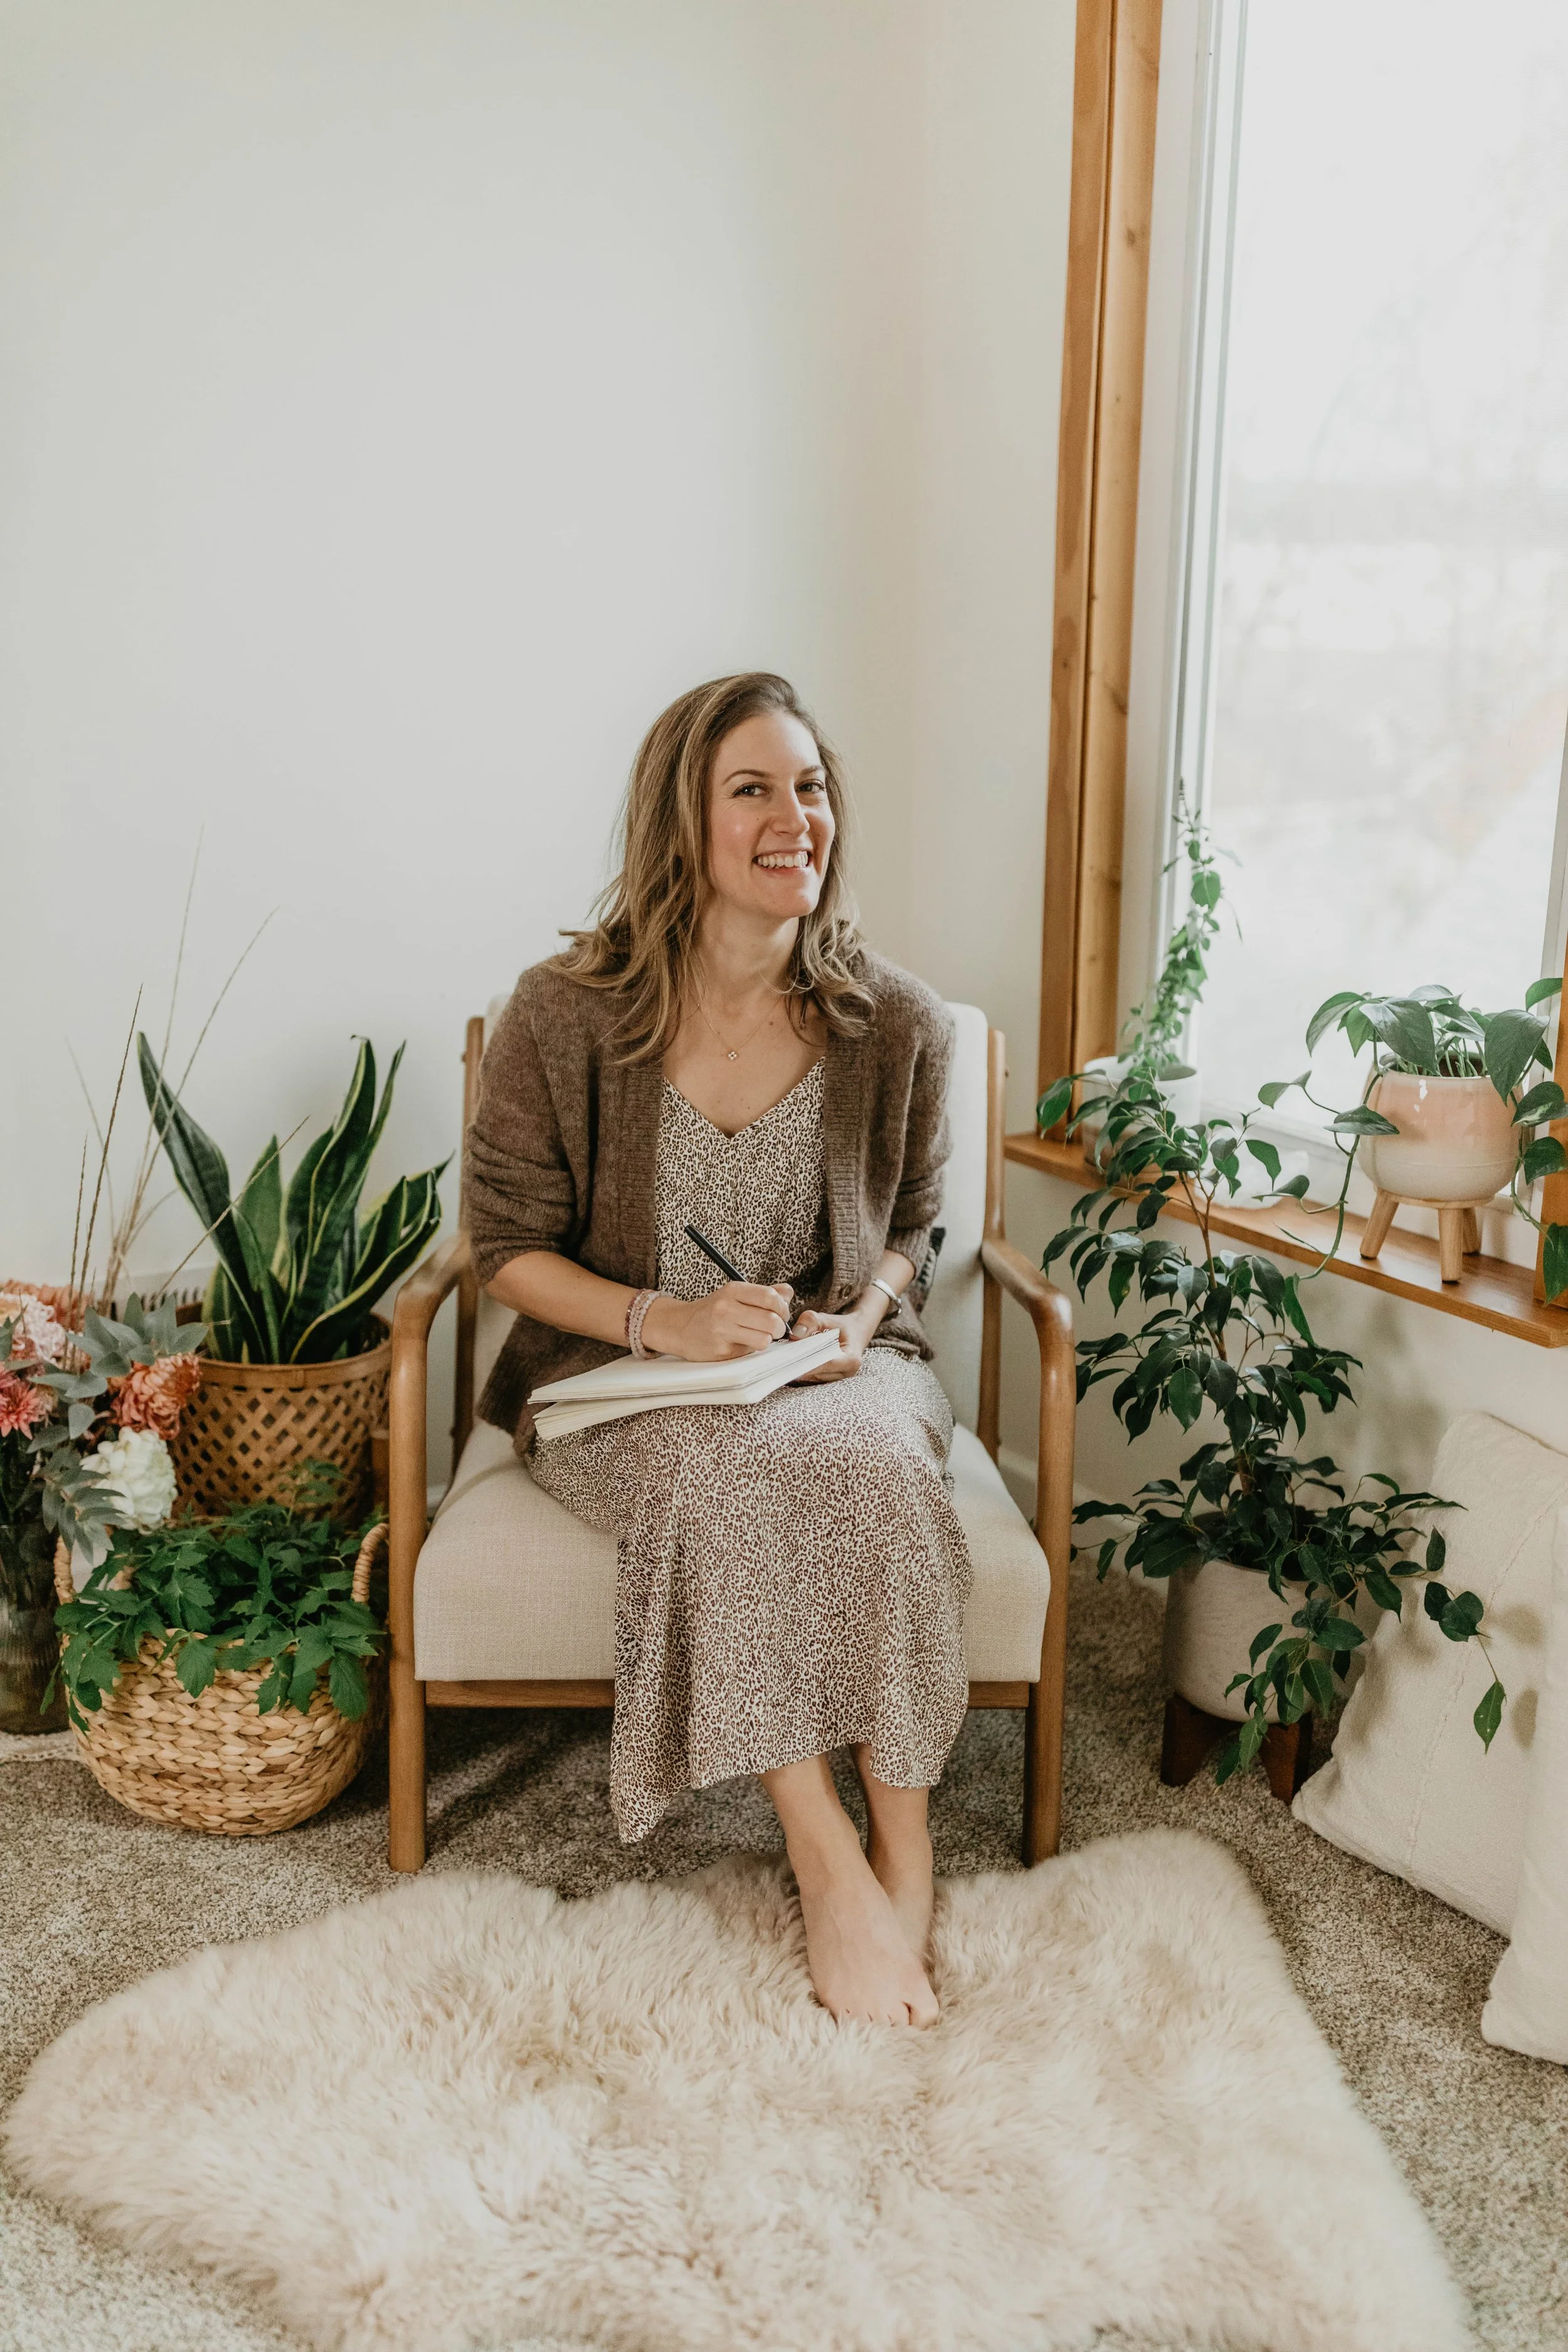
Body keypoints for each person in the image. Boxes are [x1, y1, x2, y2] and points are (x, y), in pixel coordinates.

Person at [465, 672, 970, 2028]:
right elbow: (499, 1243)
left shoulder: (894, 1020)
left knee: (868, 1459)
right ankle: (820, 1846)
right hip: (618, 1381)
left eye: (808, 787)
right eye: (751, 787)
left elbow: (916, 1223)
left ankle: (905, 1840)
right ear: (677, 821)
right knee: (713, 1470)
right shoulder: (563, 1012)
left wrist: (853, 1328)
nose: (792, 815)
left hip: (830, 1364)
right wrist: (663, 1323)